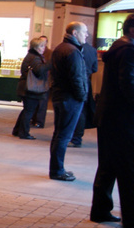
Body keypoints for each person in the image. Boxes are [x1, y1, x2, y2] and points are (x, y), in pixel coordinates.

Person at [90, 12, 134, 228]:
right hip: (121, 120)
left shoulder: (122, 48)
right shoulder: (128, 51)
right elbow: (129, 84)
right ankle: (133, 218)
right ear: (132, 30)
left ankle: (100, 210)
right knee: (130, 169)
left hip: (111, 118)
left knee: (109, 166)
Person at [48, 22, 89, 181]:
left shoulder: (61, 48)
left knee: (59, 134)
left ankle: (57, 168)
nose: (86, 35)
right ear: (74, 32)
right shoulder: (72, 51)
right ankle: (57, 170)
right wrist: (82, 96)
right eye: (84, 32)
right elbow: (76, 78)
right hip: (69, 98)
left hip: (61, 96)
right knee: (63, 135)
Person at [12, 36, 50, 140]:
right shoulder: (35, 58)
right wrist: (49, 64)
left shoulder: (31, 56)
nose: (44, 48)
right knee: (29, 111)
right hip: (30, 88)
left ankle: (17, 130)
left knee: (27, 110)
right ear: (37, 47)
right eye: (42, 46)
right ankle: (24, 133)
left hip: (25, 87)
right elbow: (39, 70)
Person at [69, 36, 99, 147]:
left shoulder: (72, 49)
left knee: (73, 110)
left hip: (73, 83)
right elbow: (95, 69)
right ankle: (77, 137)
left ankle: (70, 136)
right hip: (87, 82)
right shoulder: (92, 50)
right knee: (82, 111)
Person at [32, 37, 50, 128]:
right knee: (34, 103)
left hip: (45, 81)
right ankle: (34, 119)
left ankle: (39, 121)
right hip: (36, 82)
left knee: (42, 103)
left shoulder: (50, 53)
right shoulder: (35, 56)